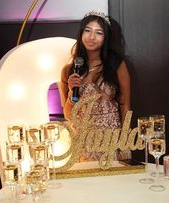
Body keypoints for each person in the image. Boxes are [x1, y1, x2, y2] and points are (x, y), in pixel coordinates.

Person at [60, 10, 131, 162]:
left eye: (98, 33)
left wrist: (124, 142)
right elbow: (67, 115)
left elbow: (125, 106)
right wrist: (71, 93)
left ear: (105, 38)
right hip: (83, 142)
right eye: (87, 31)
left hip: (111, 139)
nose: (91, 37)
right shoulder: (68, 70)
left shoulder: (116, 65)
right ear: (81, 34)